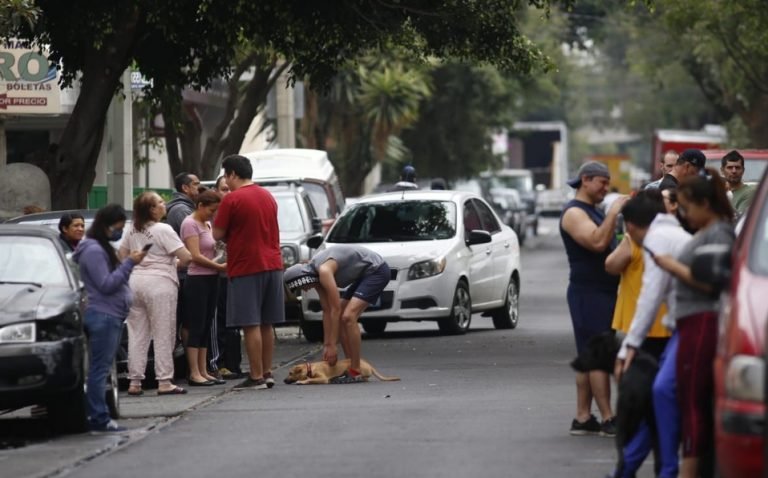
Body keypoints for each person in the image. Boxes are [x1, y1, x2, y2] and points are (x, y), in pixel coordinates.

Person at [653, 169, 735, 478]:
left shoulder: (718, 233)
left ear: (704, 203)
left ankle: (690, 468)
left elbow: (713, 283)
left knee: (693, 401)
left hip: (702, 320)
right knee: (688, 397)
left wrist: (672, 265)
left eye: (687, 207)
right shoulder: (706, 232)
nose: (683, 214)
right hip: (690, 322)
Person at [608, 190, 692, 478]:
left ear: (629, 227)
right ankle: (630, 466)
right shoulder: (674, 233)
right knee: (659, 401)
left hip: (693, 326)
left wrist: (628, 347)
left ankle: (666, 470)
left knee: (661, 393)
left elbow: (650, 296)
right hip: (682, 325)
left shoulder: (656, 239)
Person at [560, 161, 627, 436]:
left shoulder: (590, 210)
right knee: (599, 355)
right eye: (602, 182)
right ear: (585, 180)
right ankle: (609, 417)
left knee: (589, 354)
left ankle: (583, 416)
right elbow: (598, 242)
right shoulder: (574, 213)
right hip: (589, 293)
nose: (606, 188)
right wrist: (614, 211)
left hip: (601, 292)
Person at [72, 204, 147, 432]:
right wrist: (129, 263)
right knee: (99, 370)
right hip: (104, 315)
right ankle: (99, 418)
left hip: (109, 314)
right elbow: (106, 284)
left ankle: (99, 416)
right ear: (106, 225)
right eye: (117, 227)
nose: (119, 232)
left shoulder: (98, 247)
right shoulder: (94, 250)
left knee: (100, 368)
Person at [212, 155, 285, 390]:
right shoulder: (268, 196)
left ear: (232, 174)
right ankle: (267, 372)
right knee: (266, 323)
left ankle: (255, 377)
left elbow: (217, 234)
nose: (226, 180)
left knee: (250, 323)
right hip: (273, 264)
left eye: (226, 175)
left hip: (246, 265)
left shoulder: (232, 199)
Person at [283, 245, 390, 383]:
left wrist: (333, 346)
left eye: (302, 286)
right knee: (341, 317)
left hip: (377, 270)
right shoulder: (315, 276)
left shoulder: (324, 271)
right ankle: (350, 366)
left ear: (303, 278)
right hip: (364, 275)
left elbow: (335, 309)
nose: (305, 289)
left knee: (348, 317)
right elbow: (327, 310)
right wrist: (327, 345)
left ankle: (355, 370)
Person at [120, 192, 192, 396]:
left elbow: (122, 256)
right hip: (160, 284)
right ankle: (164, 381)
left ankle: (135, 381)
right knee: (163, 332)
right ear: (152, 210)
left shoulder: (131, 229)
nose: (164, 205)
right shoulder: (164, 229)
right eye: (160, 202)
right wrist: (172, 263)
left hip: (135, 283)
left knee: (137, 333)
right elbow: (185, 257)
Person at [180, 190, 227, 386]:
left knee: (207, 323)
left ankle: (203, 368)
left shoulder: (206, 224)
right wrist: (219, 266)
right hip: (197, 279)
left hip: (211, 278)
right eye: (211, 210)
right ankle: (194, 371)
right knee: (196, 324)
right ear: (200, 206)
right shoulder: (189, 224)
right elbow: (195, 256)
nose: (213, 214)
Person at [208, 176, 242, 380]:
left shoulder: (238, 212)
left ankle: (234, 364)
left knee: (236, 321)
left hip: (237, 274)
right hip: (217, 274)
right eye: (223, 189)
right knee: (220, 320)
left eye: (230, 189)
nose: (228, 193)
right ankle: (219, 364)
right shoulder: (209, 217)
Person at [720, 149, 756, 216]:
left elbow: (740, 218)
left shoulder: (749, 192)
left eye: (737, 167)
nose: (734, 171)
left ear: (743, 170)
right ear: (722, 170)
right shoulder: (717, 191)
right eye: (730, 168)